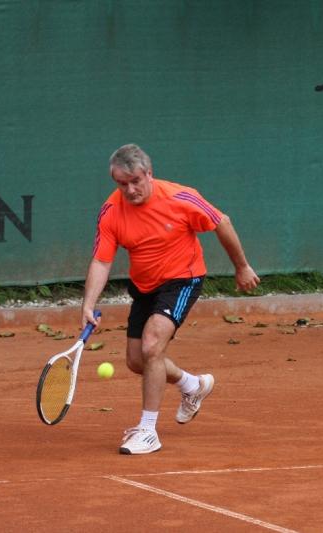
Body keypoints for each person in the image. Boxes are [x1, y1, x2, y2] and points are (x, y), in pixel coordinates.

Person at [81, 143, 260, 455]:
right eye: (122, 184)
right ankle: (192, 385)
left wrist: (242, 266)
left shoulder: (180, 197)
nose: (130, 190)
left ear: (149, 174)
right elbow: (101, 261)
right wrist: (88, 304)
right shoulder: (111, 211)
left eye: (136, 181)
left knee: (152, 345)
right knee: (137, 361)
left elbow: (222, 222)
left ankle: (148, 431)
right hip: (144, 287)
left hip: (182, 279)